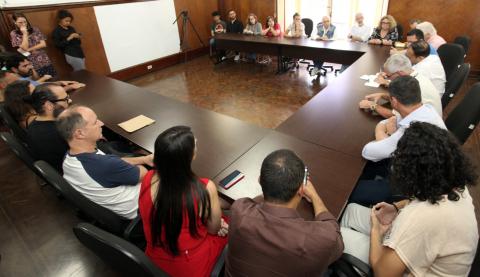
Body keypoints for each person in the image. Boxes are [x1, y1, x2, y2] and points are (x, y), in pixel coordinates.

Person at [341, 122, 478, 276]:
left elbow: (382, 273)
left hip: (391, 268)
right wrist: (396, 207)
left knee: (336, 235)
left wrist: (375, 231)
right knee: (351, 210)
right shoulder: (456, 185)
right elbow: (421, 199)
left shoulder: (420, 217)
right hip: (426, 249)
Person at [225, 149, 344, 276]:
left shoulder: (238, 210)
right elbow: (334, 234)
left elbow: (253, 203)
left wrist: (271, 187)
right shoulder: (320, 240)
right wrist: (314, 196)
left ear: (259, 181)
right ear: (301, 189)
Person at [139, 126, 228, 277]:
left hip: (154, 257)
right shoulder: (205, 188)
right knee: (231, 225)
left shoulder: (148, 178)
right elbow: (213, 229)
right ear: (190, 156)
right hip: (189, 266)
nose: (197, 143)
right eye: (195, 144)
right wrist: (219, 224)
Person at [352, 76, 447, 206]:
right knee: (367, 169)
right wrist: (388, 133)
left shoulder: (411, 129)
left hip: (411, 189)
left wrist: (381, 131)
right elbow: (392, 120)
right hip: (421, 172)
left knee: (351, 190)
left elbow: (368, 152)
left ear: (394, 102)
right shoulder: (427, 110)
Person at [57, 105, 153, 219]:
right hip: (143, 209)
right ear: (80, 134)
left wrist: (143, 159)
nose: (101, 123)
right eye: (95, 122)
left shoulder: (70, 157)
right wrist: (143, 164)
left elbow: (115, 162)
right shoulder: (102, 164)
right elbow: (143, 173)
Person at [359, 54, 442, 118]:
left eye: (388, 76)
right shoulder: (414, 76)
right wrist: (382, 95)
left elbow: (397, 116)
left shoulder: (415, 87)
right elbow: (402, 99)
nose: (388, 79)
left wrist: (373, 106)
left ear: (399, 73)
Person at [24, 83, 70, 172]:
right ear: (49, 105)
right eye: (65, 99)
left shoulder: (35, 124)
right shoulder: (55, 134)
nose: (69, 101)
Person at [5, 53, 85, 90]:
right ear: (14, 69)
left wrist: (59, 83)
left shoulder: (22, 77)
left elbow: (37, 83)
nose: (29, 67)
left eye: (28, 64)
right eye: (24, 66)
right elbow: (42, 94)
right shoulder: (17, 82)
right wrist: (69, 87)